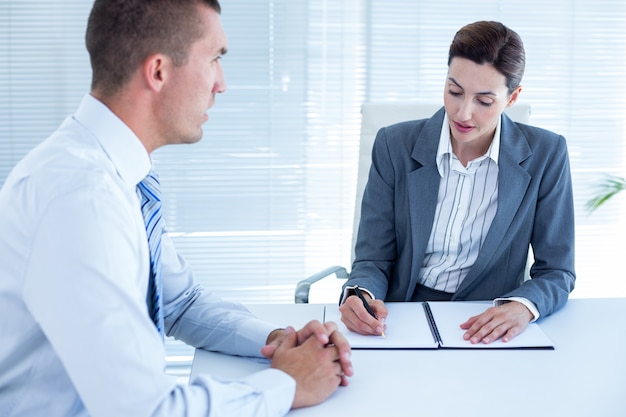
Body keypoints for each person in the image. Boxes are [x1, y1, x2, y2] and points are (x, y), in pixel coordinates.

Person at [0, 1, 353, 416]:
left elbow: (178, 302)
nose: (221, 84)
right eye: (215, 59)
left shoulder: (117, 175)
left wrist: (279, 339)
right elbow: (145, 410)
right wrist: (287, 385)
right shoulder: (81, 198)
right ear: (159, 71)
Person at [339, 20, 575, 345]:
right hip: (400, 317)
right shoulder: (394, 145)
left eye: (484, 101)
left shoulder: (547, 154)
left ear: (512, 97)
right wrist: (360, 295)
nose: (463, 113)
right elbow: (373, 258)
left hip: (488, 322)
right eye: (455, 92)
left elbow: (557, 271)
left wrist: (523, 307)